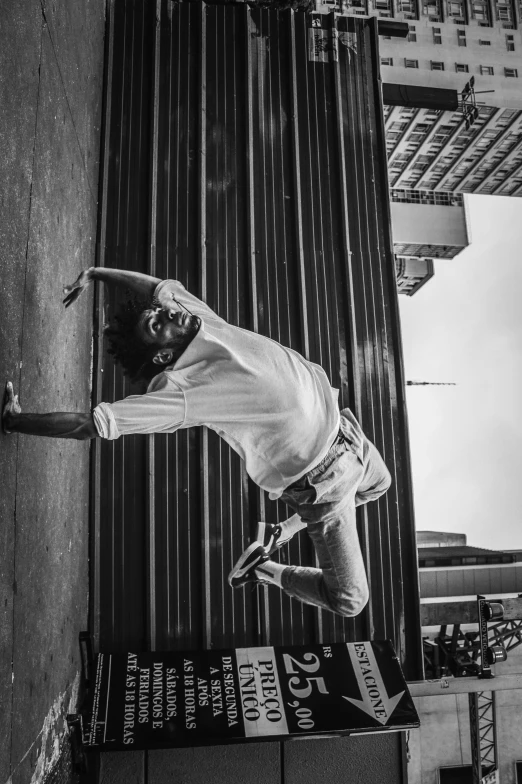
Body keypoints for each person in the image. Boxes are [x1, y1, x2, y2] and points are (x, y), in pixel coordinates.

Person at [2, 267, 391, 617]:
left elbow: (157, 288)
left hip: (348, 434)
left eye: (161, 312)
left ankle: (281, 532)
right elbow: (92, 424)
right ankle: (265, 569)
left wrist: (96, 272)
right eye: (156, 324)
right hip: (324, 483)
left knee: (381, 483)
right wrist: (16, 421)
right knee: (349, 600)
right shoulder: (184, 390)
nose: (167, 313)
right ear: (164, 354)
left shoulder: (198, 322)